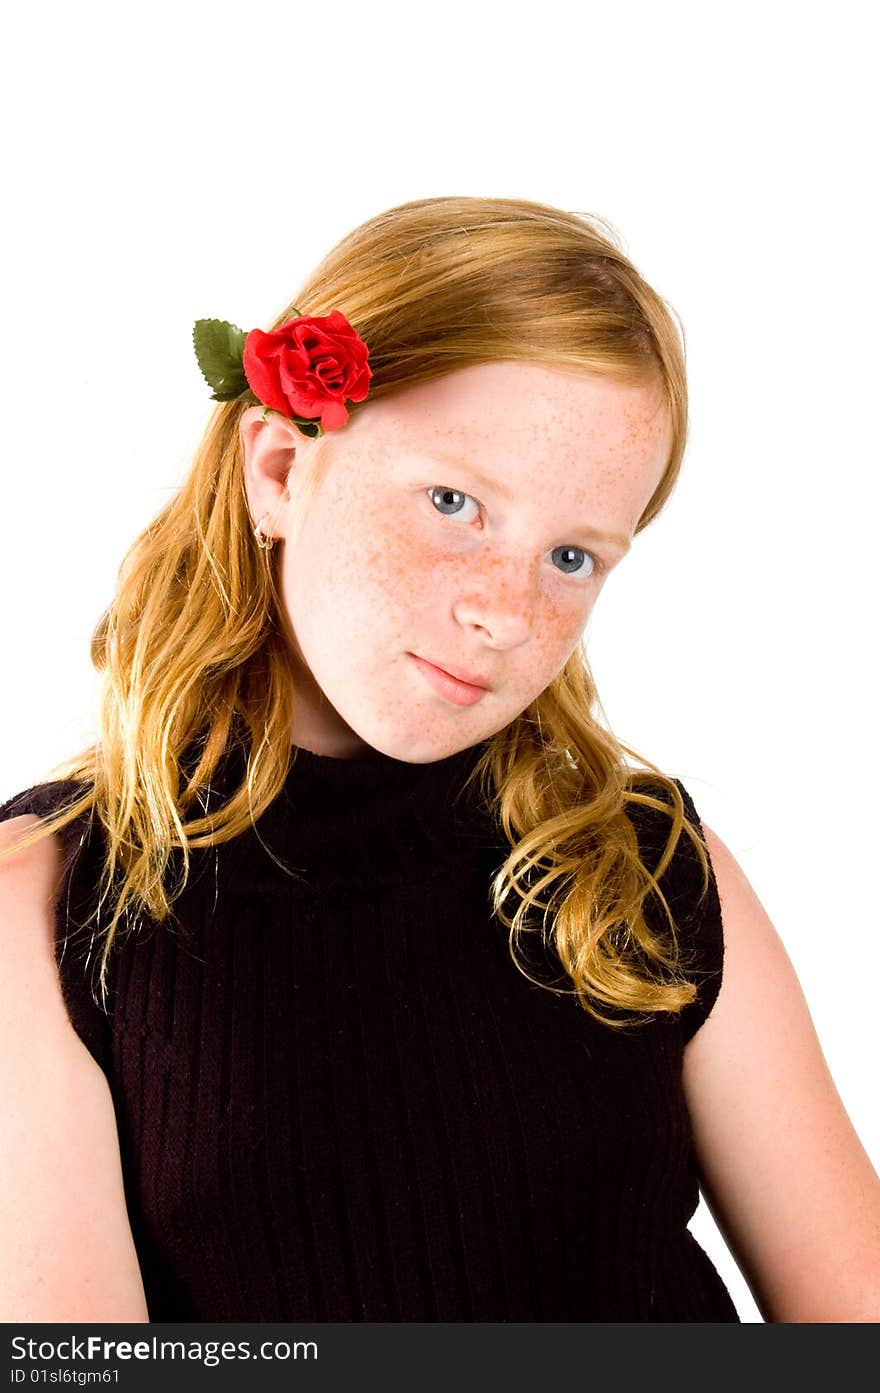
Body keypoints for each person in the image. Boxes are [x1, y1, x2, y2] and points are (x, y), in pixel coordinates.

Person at [1, 195, 878, 1325]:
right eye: (454, 502)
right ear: (278, 467)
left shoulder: (646, 869)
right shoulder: (49, 909)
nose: (506, 612)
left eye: (571, 555)